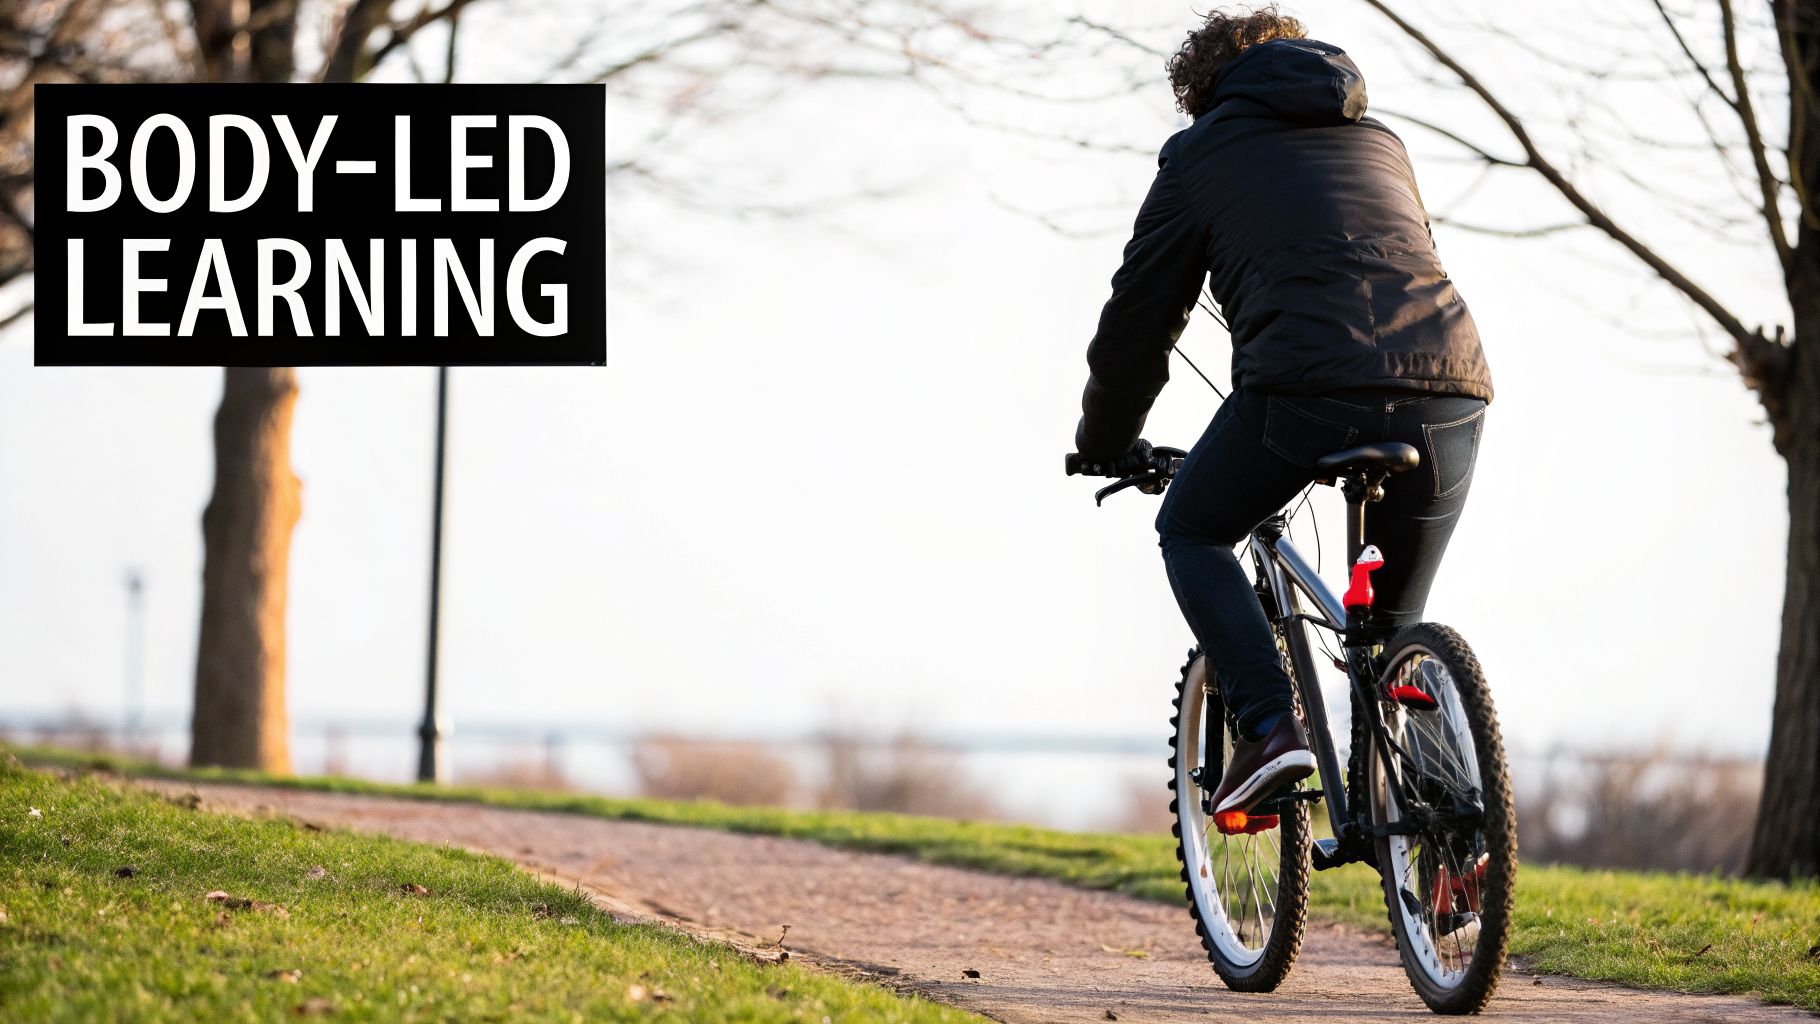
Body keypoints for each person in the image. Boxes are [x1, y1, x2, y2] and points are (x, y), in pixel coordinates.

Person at [1071, 8, 1493, 815]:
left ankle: (1269, 726)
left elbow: (1140, 317)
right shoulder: (1381, 143)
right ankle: (1452, 841)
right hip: (1451, 388)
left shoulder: (1198, 153)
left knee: (1192, 529)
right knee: (1394, 634)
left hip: (1307, 389)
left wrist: (1107, 438)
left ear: (1203, 91)